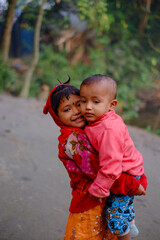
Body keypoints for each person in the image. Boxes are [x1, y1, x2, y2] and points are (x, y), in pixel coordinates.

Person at [43, 81, 147, 240]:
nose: (77, 111)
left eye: (79, 103)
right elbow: (96, 168)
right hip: (89, 203)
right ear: (57, 118)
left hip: (104, 197)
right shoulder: (74, 140)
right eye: (67, 109)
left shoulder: (90, 128)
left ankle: (129, 223)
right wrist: (131, 184)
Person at [80, 74, 147, 240]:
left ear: (112, 105)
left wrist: (99, 188)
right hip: (129, 167)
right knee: (124, 206)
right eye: (83, 101)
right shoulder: (97, 119)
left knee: (114, 215)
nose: (88, 107)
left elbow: (112, 164)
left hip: (126, 173)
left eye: (96, 102)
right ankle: (130, 225)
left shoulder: (109, 129)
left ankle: (125, 235)